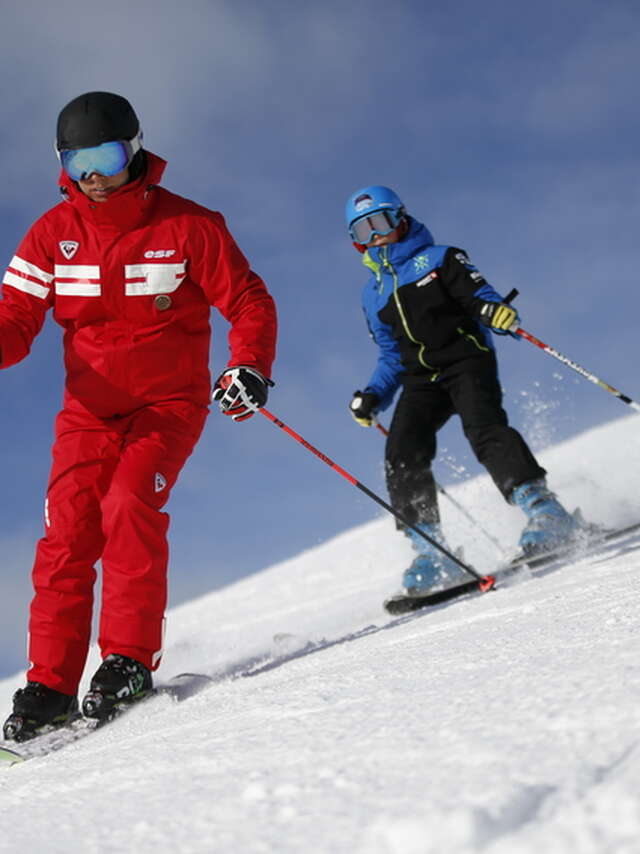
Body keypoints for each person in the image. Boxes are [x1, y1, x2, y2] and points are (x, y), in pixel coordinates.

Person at [1, 92, 277, 741]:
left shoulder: (189, 226)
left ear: (136, 149)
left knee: (127, 504)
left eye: (107, 155)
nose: (94, 174)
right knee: (67, 530)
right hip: (88, 413)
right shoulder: (51, 235)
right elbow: (14, 320)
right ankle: (50, 686)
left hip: (166, 405)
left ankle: (125, 660)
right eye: (79, 160)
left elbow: (246, 298)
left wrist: (250, 367)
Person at [345, 185, 578, 595]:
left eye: (380, 221)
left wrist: (495, 312)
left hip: (466, 360)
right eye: (363, 230)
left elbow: (480, 299)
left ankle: (546, 512)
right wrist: (374, 395)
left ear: (400, 218)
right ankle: (431, 552)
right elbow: (391, 356)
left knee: (484, 430)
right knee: (401, 451)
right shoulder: (372, 293)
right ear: (356, 242)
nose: (375, 235)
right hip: (421, 380)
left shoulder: (441, 258)